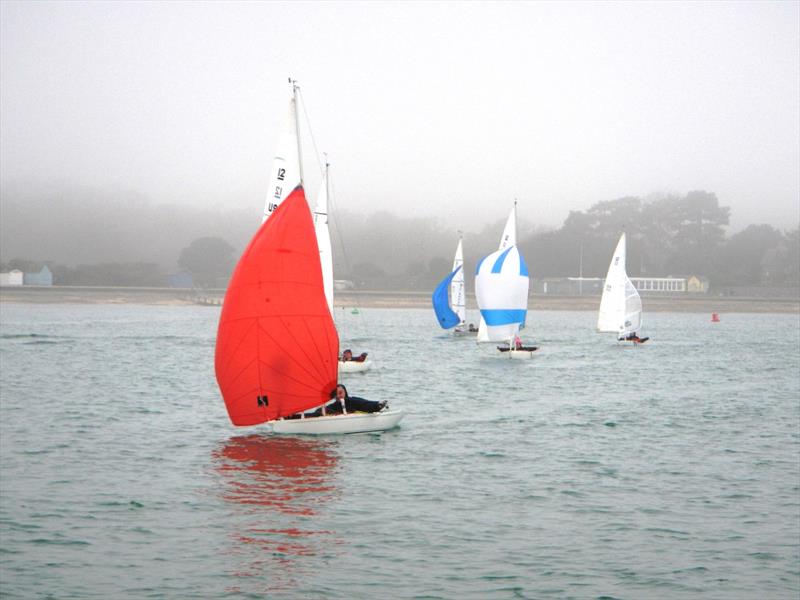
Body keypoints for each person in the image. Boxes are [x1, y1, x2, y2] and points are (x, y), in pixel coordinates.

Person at [306, 384, 386, 416]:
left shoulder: (352, 400)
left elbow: (365, 404)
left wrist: (377, 405)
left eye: (340, 393)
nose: (338, 396)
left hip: (361, 410)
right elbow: (318, 412)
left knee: (363, 403)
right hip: (343, 418)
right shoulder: (334, 406)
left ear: (345, 392)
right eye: (336, 394)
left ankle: (379, 405)